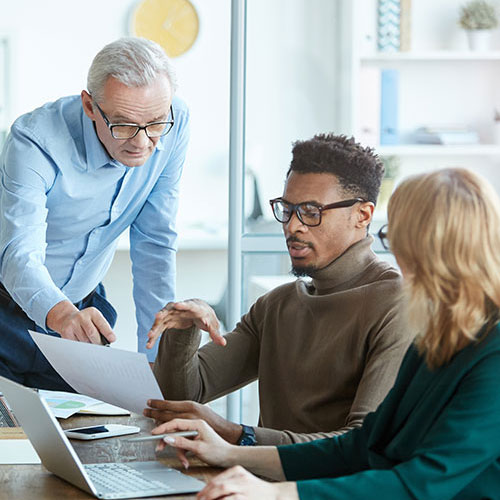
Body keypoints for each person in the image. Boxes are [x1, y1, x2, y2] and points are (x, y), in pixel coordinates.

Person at [153, 167, 500, 499]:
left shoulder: (490, 352)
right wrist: (231, 453)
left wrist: (278, 492)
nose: (395, 254)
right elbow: (362, 445)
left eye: (397, 238)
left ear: (434, 248)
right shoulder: (439, 335)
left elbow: (421, 483)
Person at [145, 134, 414, 446]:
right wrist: (184, 332)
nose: (292, 226)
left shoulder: (399, 306)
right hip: (255, 485)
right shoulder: (277, 305)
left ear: (363, 215)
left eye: (311, 212)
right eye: (287, 209)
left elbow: (362, 444)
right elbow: (183, 396)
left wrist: (236, 435)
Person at [0, 37, 189, 390]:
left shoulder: (176, 121)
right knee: (10, 439)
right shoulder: (34, 140)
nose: (143, 142)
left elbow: (155, 242)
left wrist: (157, 367)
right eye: (124, 124)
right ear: (90, 106)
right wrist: (60, 314)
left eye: (156, 123)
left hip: (82, 311)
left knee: (86, 433)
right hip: (8, 310)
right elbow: (19, 255)